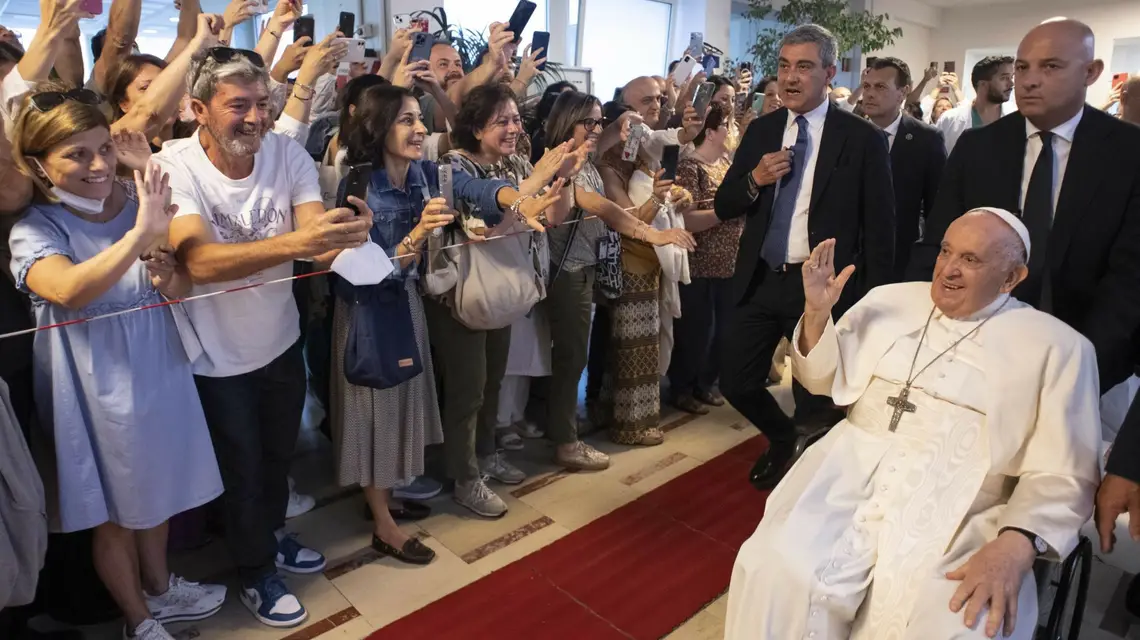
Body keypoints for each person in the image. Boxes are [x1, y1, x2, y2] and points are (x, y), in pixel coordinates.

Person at [726, 209, 1101, 640]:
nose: (949, 270)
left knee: (961, 626)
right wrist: (816, 314)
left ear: (1012, 277)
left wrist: (1015, 546)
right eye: (945, 252)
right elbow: (821, 381)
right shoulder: (890, 301)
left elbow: (1064, 474)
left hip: (964, 510)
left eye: (972, 260)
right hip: (847, 477)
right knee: (774, 570)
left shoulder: (1059, 348)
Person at [154, 47, 371, 628]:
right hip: (212, 355)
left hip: (279, 339)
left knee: (277, 458)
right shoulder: (174, 165)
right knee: (242, 468)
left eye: (264, 104)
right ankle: (255, 572)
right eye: (238, 106)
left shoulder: (286, 154)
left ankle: (270, 539)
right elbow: (198, 260)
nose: (255, 119)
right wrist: (297, 245)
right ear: (199, 108)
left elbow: (315, 240)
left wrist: (348, 234)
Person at [8, 86, 229, 640]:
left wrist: (165, 273)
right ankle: (138, 619)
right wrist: (139, 236)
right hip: (92, 380)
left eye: (103, 147)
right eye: (75, 154)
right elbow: (67, 290)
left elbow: (176, 284)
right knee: (111, 508)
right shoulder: (35, 227)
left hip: (155, 362)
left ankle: (160, 586)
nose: (98, 164)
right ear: (38, 164)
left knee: (155, 490)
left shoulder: (135, 206)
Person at [909, 19, 1140, 401]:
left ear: (1091, 72)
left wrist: (1085, 367)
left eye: (1050, 66)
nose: (1029, 80)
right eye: (1021, 67)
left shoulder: (1128, 152)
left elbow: (1130, 277)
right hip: (976, 346)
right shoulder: (978, 147)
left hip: (1090, 354)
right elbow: (938, 243)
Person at [714, 24, 896, 491]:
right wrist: (754, 177)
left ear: (830, 73)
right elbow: (725, 204)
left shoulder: (861, 139)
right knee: (735, 379)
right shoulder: (762, 130)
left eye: (804, 67)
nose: (791, 78)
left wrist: (867, 301)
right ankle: (783, 437)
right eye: (784, 66)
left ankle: (811, 487)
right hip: (760, 278)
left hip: (818, 290)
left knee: (814, 395)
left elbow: (881, 229)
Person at [433, 84, 576, 515]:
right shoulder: (453, 166)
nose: (514, 128)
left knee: (493, 380)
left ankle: (486, 453)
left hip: (502, 288)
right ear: (475, 129)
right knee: (467, 390)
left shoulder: (514, 162)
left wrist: (562, 177)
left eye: (516, 119)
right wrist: (532, 183)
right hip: (465, 292)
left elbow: (551, 218)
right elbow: (482, 221)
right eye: (503, 121)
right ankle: (464, 477)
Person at [669, 105, 741, 414]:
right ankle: (683, 387)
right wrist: (724, 212)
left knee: (723, 330)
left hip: (730, 259)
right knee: (697, 330)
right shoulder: (690, 166)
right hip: (701, 260)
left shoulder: (727, 162)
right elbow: (686, 218)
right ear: (710, 133)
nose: (733, 131)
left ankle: (706, 383)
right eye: (727, 125)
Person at [859, 57, 946, 279]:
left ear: (903, 92)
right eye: (867, 86)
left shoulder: (926, 139)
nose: (869, 94)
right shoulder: (849, 134)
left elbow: (938, 207)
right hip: (852, 259)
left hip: (902, 260)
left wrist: (927, 259)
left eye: (880, 87)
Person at [936, 56, 1014, 154]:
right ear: (983, 84)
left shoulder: (1017, 118)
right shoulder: (949, 120)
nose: (1011, 83)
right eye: (1004, 78)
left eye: (1011, 77)